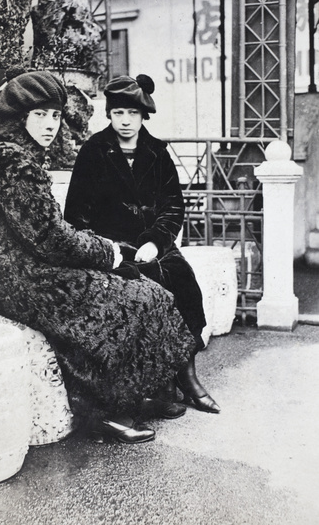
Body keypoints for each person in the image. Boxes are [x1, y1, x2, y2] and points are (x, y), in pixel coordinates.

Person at [0, 69, 198, 445]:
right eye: (40, 115)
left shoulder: (18, 155)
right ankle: (103, 413)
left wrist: (107, 253)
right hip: (22, 279)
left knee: (146, 290)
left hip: (34, 267)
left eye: (55, 115)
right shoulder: (12, 162)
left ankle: (134, 396)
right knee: (127, 298)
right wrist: (108, 252)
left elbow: (48, 234)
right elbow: (50, 238)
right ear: (19, 116)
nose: (50, 125)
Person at [65, 74, 220, 414]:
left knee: (185, 285)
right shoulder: (94, 152)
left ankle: (186, 375)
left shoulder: (157, 152)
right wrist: (106, 248)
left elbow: (173, 206)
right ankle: (160, 381)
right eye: (118, 112)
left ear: (142, 116)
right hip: (114, 249)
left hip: (155, 244)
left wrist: (156, 239)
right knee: (149, 291)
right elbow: (76, 215)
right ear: (110, 114)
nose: (125, 120)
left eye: (132, 114)